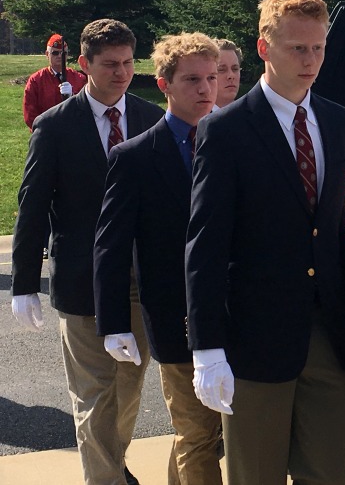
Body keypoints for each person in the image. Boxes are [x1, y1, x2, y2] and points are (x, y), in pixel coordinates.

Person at [185, 0, 345, 485]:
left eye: (318, 48)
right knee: (256, 473)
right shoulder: (226, 131)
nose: (310, 61)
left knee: (331, 472)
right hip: (254, 338)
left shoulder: (336, 120)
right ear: (263, 47)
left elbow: (332, 225)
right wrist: (207, 348)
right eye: (296, 48)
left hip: (328, 335)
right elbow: (206, 245)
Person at [11, 18, 165, 485]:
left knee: (126, 393)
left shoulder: (149, 118)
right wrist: (23, 285)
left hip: (138, 283)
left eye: (127, 63)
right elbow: (32, 205)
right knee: (95, 396)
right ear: (84, 64)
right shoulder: (55, 126)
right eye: (110, 65)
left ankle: (111, 464)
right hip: (82, 282)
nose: (121, 73)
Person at [93, 32, 222, 485]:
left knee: (222, 433)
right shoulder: (134, 157)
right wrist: (113, 322)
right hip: (174, 317)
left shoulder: (236, 144)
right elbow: (110, 245)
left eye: (213, 77)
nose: (206, 89)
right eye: (192, 79)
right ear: (164, 84)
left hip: (238, 314)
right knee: (198, 432)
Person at [23, 33, 88, 130]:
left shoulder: (79, 78)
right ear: (47, 54)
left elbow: (86, 110)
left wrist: (73, 96)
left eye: (63, 53)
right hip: (45, 133)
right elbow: (30, 112)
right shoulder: (36, 80)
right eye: (55, 53)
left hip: (73, 133)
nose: (59, 56)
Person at [214, 38, 243, 108]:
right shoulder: (193, 117)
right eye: (221, 70)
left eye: (235, 69)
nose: (231, 76)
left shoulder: (254, 116)